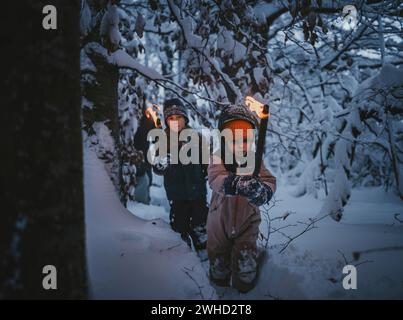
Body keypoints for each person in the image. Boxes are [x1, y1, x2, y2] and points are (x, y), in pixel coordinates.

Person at [207, 104, 276, 293]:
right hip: (219, 216)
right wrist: (234, 183)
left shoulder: (255, 160)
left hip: (248, 218)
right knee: (218, 254)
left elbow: (269, 180)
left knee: (245, 254)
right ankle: (218, 286)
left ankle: (244, 286)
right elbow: (215, 178)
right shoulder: (218, 158)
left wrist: (263, 191)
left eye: (245, 138)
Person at [152, 98, 208, 251]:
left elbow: (207, 162)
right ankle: (184, 257)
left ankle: (203, 253)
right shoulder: (162, 140)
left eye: (179, 117)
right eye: (171, 118)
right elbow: (157, 167)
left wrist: (209, 172)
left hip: (198, 194)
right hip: (177, 196)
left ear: (185, 118)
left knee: (201, 227)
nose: (175, 121)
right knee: (179, 229)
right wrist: (162, 163)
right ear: (166, 121)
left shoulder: (196, 138)